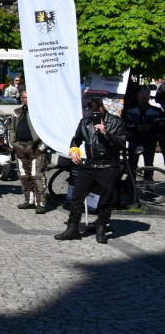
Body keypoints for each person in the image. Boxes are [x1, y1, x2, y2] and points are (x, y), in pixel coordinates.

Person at [56, 97, 127, 244]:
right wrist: (74, 150)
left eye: (98, 110)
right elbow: (76, 139)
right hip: (89, 165)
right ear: (88, 110)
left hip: (107, 166)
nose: (95, 113)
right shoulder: (85, 122)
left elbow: (121, 143)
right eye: (92, 111)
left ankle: (101, 227)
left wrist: (105, 133)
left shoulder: (115, 121)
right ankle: (73, 228)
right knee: (77, 196)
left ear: (102, 107)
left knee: (106, 200)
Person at [8, 90, 49, 214]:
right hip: (20, 147)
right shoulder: (17, 112)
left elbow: (48, 130)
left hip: (36, 148)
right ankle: (29, 200)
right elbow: (11, 128)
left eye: (29, 97)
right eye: (25, 97)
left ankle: (40, 203)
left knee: (37, 175)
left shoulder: (40, 112)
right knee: (23, 175)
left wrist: (42, 147)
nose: (27, 99)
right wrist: (13, 143)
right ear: (21, 98)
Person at [125, 88, 162, 177]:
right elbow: (125, 125)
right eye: (142, 99)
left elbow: (160, 125)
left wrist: (151, 127)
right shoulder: (130, 111)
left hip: (149, 141)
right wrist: (136, 127)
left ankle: (148, 184)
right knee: (132, 163)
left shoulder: (156, 111)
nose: (144, 101)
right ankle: (130, 184)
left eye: (146, 99)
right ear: (138, 98)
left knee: (149, 164)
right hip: (134, 140)